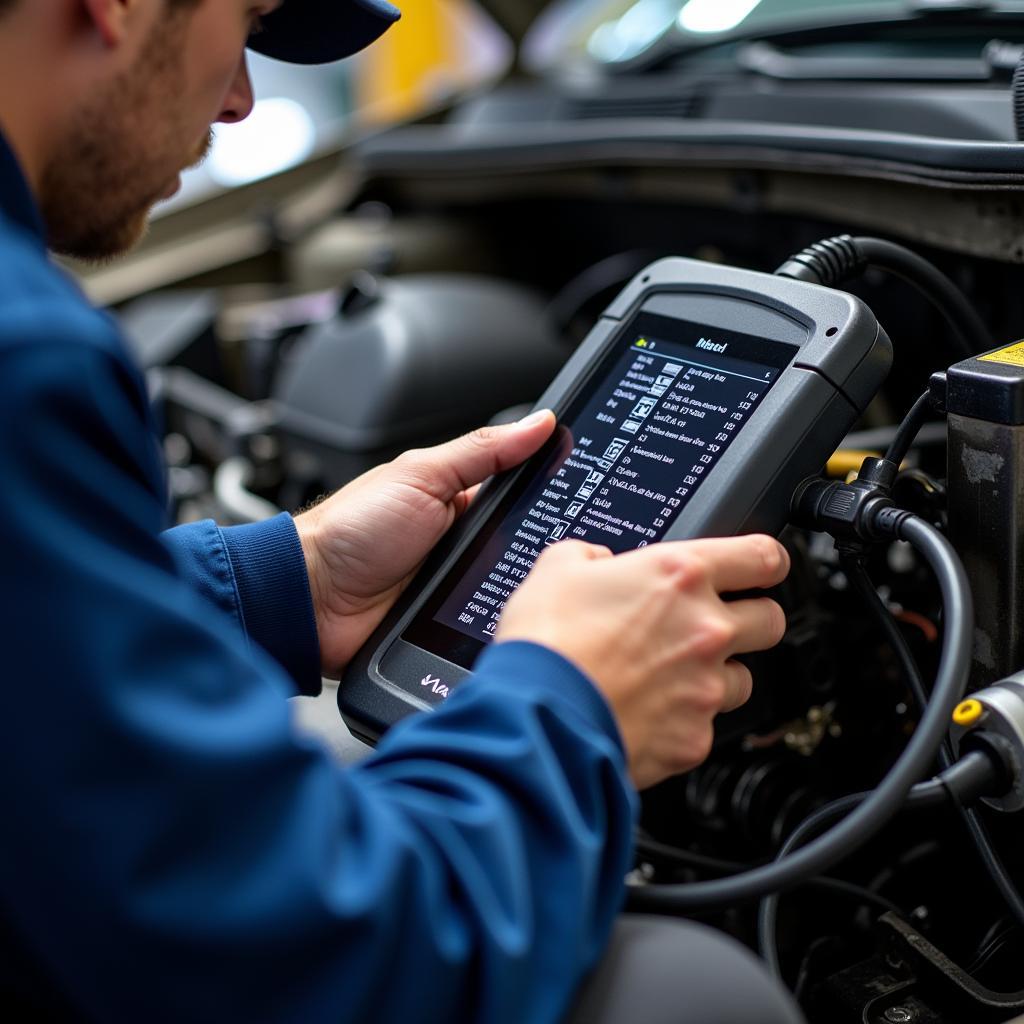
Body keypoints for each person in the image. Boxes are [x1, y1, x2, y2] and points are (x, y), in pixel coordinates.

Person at [0, 2, 803, 1021]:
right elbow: (327, 960)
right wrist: (572, 707)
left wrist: (282, 579)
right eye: (244, 21)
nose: (243, 99)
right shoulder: (25, 356)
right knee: (688, 994)